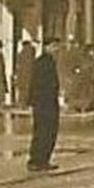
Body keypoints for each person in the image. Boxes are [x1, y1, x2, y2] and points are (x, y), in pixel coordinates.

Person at [27, 34, 62, 171]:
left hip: (46, 102)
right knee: (43, 131)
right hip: (44, 103)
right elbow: (39, 84)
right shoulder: (43, 62)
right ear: (47, 47)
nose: (57, 49)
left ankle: (42, 160)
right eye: (54, 46)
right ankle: (37, 160)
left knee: (48, 131)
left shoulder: (48, 61)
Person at [13, 37, 36, 108]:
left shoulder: (20, 54)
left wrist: (16, 75)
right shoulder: (31, 53)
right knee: (28, 90)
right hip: (30, 76)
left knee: (22, 91)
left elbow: (18, 66)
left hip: (21, 76)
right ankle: (28, 104)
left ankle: (22, 104)